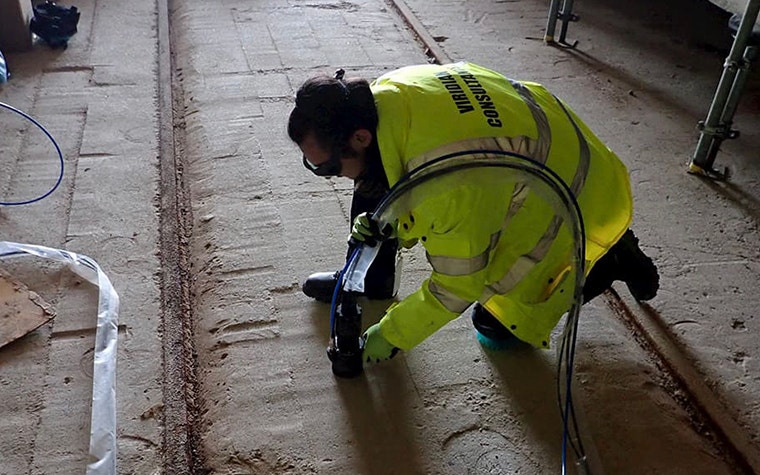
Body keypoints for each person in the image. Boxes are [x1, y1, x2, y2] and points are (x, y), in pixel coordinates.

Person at [287, 62, 659, 365]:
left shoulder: (451, 186)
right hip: (542, 142)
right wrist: (387, 229)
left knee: (493, 325)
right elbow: (400, 182)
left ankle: (612, 259)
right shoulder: (388, 93)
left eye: (327, 168)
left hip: (578, 198)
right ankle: (373, 279)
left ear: (360, 137)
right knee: (372, 184)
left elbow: (454, 288)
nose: (328, 176)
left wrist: (390, 335)